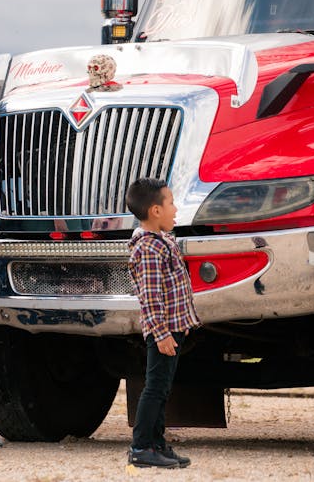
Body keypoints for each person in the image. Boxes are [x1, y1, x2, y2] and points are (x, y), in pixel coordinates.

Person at [126, 178, 201, 469]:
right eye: (171, 203)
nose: (176, 208)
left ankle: (157, 444)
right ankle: (141, 446)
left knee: (163, 388)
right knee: (155, 388)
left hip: (172, 329)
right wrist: (161, 334)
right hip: (163, 331)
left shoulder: (162, 241)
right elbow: (150, 296)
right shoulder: (149, 248)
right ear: (155, 211)